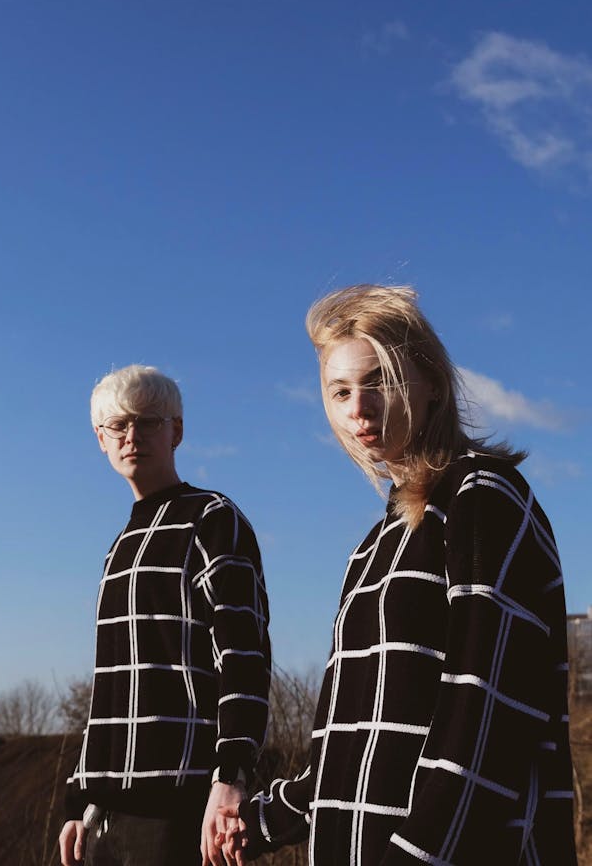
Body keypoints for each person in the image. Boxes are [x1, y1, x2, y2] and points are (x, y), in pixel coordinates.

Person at [219, 285, 576, 865]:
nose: (357, 408)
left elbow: (484, 726)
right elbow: (346, 748)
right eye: (340, 392)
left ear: (432, 382)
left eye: (378, 380)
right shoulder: (374, 547)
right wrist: (256, 822)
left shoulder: (483, 498)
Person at [59, 365, 271, 866]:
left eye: (149, 422)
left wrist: (232, 776)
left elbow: (243, 657)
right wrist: (81, 795)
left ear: (176, 430)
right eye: (118, 425)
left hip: (178, 809)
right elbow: (114, 683)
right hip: (105, 816)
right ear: (101, 439)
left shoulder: (212, 519)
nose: (132, 436)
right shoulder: (119, 548)